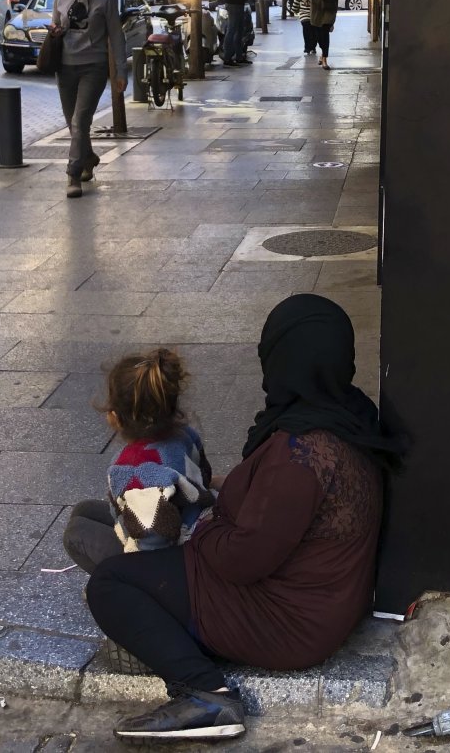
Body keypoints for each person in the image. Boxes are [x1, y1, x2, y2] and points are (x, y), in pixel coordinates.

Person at [86, 294, 403, 742]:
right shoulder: (345, 413)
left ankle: (206, 694)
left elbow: (241, 559)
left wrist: (206, 524)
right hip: (313, 595)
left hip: (287, 620)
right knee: (101, 528)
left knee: (108, 582)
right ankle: (154, 592)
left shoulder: (302, 453)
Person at [63, 349, 215, 572]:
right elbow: (205, 476)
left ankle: (116, 588)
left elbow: (153, 546)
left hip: (172, 556)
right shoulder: (185, 435)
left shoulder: (134, 471)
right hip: (192, 520)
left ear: (115, 416)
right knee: (84, 510)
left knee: (75, 535)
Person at [50, 0, 127, 199]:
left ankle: (73, 174)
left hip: (93, 67)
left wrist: (120, 72)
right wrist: (55, 32)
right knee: (73, 123)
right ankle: (89, 157)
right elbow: (56, 27)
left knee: (80, 121)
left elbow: (116, 37)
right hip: (65, 67)